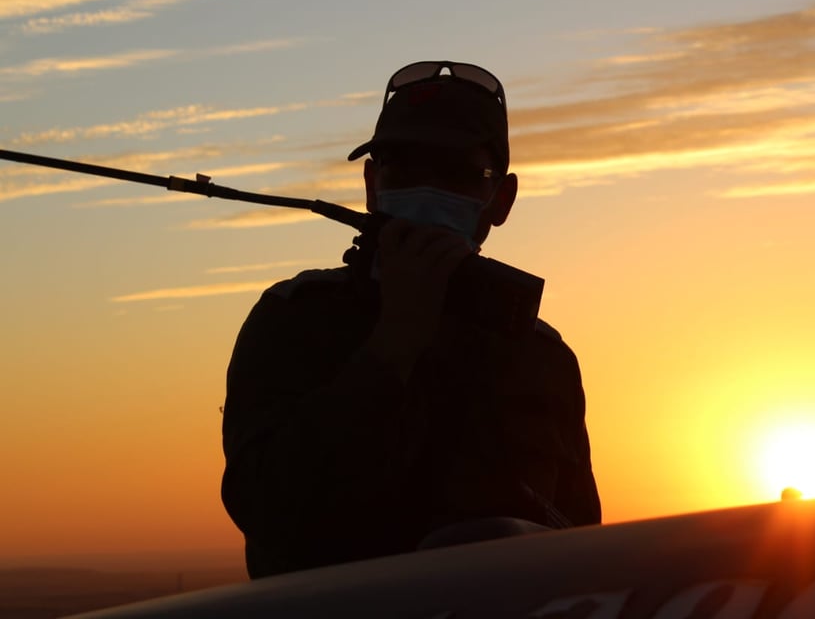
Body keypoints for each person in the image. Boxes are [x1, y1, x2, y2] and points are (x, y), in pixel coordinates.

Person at [221, 61, 601, 578]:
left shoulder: (544, 358)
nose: (426, 188)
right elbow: (268, 511)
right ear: (372, 183)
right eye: (404, 167)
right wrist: (393, 344)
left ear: (501, 199)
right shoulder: (292, 320)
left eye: (456, 172)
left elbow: (583, 555)